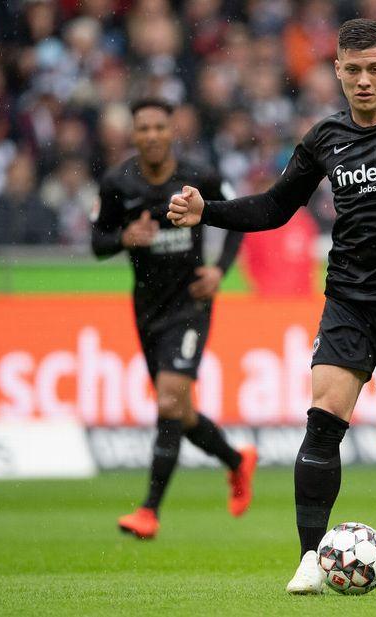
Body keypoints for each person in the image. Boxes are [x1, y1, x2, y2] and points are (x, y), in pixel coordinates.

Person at [168, 19, 376, 592]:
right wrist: (209, 212)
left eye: (375, 68)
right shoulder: (324, 137)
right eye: (353, 70)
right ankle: (309, 557)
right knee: (325, 415)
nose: (364, 80)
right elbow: (275, 208)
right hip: (349, 296)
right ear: (337, 71)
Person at [91, 98, 257, 540]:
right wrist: (124, 237)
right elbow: (97, 242)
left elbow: (238, 217)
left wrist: (219, 270)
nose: (151, 135)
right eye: (143, 128)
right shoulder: (117, 182)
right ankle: (237, 461)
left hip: (191, 304)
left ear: (171, 132)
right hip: (147, 308)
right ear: (133, 134)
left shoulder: (199, 176)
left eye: (158, 127)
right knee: (179, 411)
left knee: (168, 402)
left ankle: (148, 511)